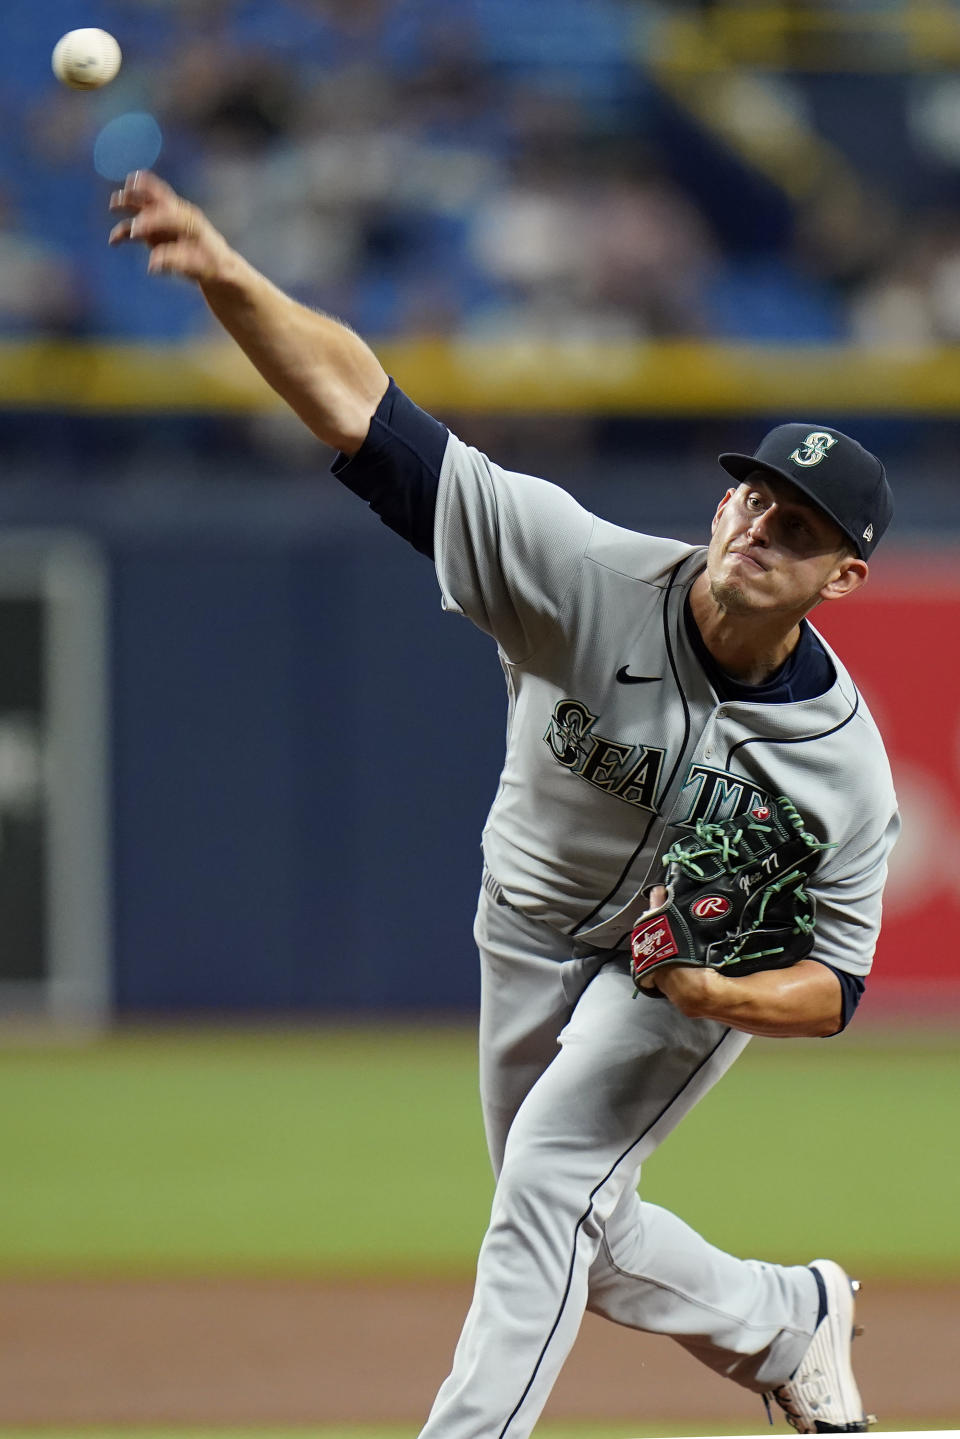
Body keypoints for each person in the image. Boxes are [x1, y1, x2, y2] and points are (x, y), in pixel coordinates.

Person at [109, 171, 898, 1439]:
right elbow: (370, 415)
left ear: (842, 576)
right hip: (524, 923)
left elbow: (837, 983)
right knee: (581, 1218)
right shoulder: (580, 573)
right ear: (722, 497)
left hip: (670, 974)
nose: (760, 524)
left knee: (544, 1182)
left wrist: (716, 992)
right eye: (754, 495)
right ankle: (783, 1316)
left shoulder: (839, 765)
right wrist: (226, 277)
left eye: (798, 526)